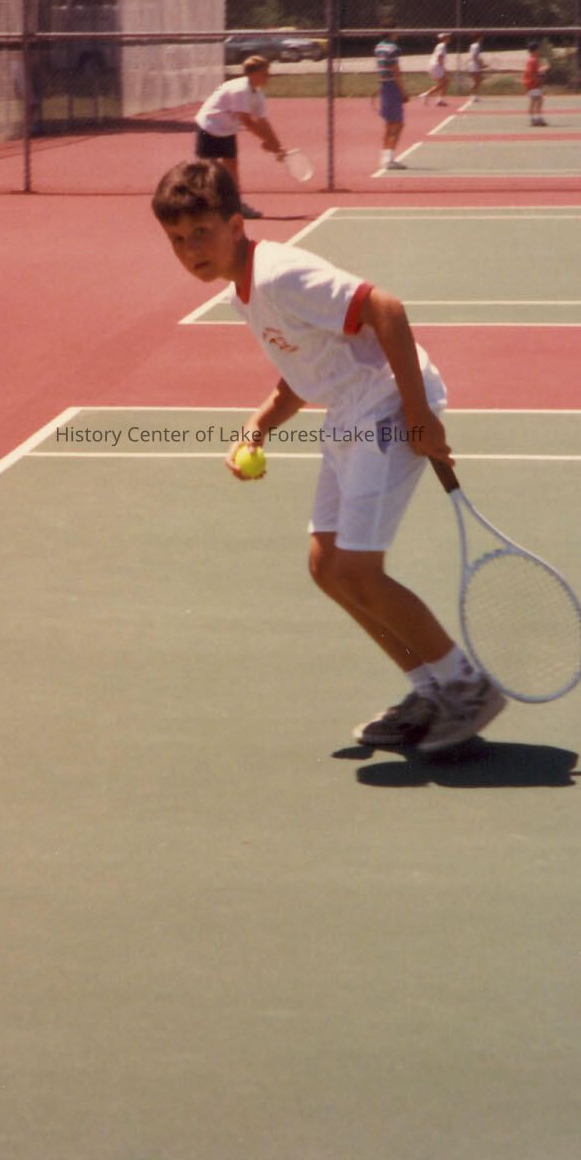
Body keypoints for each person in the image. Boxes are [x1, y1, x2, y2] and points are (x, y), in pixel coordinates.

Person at [151, 158, 507, 753]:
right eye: (177, 240)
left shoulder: (279, 274)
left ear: (236, 226)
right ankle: (428, 689)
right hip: (350, 411)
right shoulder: (243, 292)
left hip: (385, 404)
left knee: (359, 571)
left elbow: (385, 308)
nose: (191, 250)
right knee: (327, 567)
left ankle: (467, 687)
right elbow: (303, 374)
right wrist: (259, 427)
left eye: (201, 233)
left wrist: (419, 414)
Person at [194, 55, 285, 220]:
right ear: (254, 74)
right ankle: (199, 208)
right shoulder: (240, 89)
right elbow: (247, 121)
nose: (268, 76)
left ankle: (235, 206)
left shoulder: (257, 94)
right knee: (206, 170)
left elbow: (262, 121)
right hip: (208, 127)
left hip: (227, 130)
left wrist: (277, 146)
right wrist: (266, 141)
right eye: (265, 73)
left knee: (232, 168)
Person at [372, 24, 408, 169]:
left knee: (389, 124)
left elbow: (383, 69)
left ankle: (386, 158)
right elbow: (395, 71)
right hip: (392, 86)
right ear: (391, 31)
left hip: (384, 86)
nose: (398, 32)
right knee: (398, 124)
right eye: (396, 29)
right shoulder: (393, 48)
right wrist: (403, 92)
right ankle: (388, 159)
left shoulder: (378, 47)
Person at [421, 32, 451, 106]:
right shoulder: (442, 45)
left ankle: (437, 99)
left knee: (444, 83)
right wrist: (444, 69)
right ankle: (427, 95)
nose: (449, 38)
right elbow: (439, 58)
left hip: (435, 66)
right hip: (436, 66)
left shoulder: (441, 45)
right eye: (448, 36)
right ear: (444, 38)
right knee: (444, 83)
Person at [524, 41, 547, 126]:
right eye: (538, 49)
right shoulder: (533, 60)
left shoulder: (532, 59)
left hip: (531, 83)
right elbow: (531, 72)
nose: (539, 51)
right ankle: (536, 119)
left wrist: (542, 71)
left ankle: (534, 119)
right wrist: (538, 78)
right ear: (535, 50)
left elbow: (535, 71)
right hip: (533, 84)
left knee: (535, 101)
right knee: (538, 100)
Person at [466, 35, 487, 101]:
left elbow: (476, 57)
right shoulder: (476, 46)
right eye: (481, 38)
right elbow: (474, 56)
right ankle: (472, 95)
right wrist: (481, 64)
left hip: (474, 65)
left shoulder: (474, 46)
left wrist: (482, 64)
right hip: (473, 66)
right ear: (478, 38)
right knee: (476, 81)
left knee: (478, 80)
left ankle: (474, 95)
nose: (482, 39)